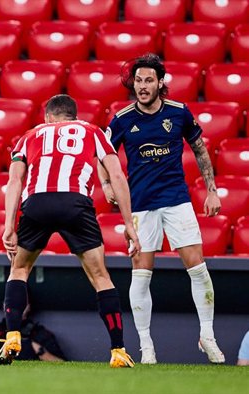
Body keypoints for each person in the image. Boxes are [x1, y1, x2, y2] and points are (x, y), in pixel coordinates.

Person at [0, 94, 141, 368]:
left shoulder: (29, 135)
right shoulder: (93, 132)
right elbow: (117, 176)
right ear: (72, 116)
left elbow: (15, 180)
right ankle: (118, 351)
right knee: (100, 276)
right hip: (75, 202)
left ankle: (12, 335)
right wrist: (129, 224)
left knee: (19, 270)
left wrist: (8, 225)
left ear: (48, 117)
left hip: (37, 202)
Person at [101, 53, 224, 364]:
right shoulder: (122, 119)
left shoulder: (179, 113)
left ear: (160, 83)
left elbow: (199, 149)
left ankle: (207, 335)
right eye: (138, 81)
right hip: (141, 208)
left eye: (148, 81)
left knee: (198, 268)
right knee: (141, 275)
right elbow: (101, 153)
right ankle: (147, 347)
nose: (142, 86)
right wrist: (105, 185)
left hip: (177, 201)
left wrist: (211, 191)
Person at [0, 304, 66, 361]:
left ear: (29, 306)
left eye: (21, 302)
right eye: (12, 302)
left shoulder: (39, 334)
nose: (16, 307)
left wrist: (38, 350)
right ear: (4, 305)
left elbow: (62, 364)